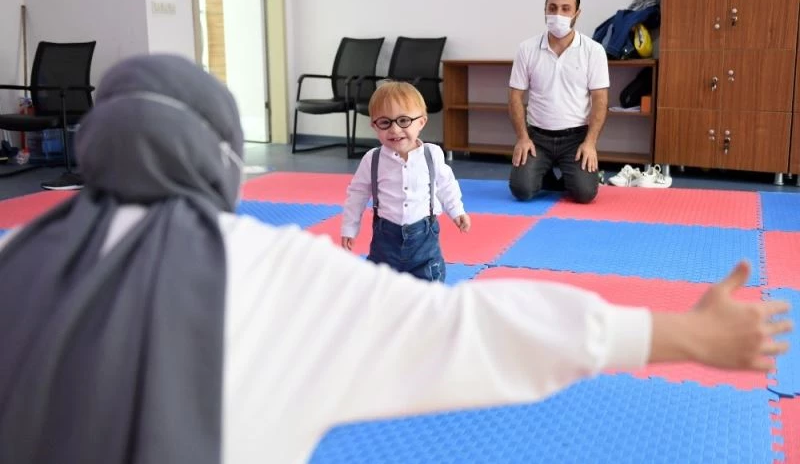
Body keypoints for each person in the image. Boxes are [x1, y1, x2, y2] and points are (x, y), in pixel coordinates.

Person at [0, 55, 791, 464]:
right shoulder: (264, 271)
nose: (396, 135)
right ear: (224, 162)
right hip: (381, 253)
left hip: (424, 241)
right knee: (425, 313)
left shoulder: (16, 253)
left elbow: (449, 199)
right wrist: (675, 336)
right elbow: (473, 327)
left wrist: (454, 213)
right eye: (385, 125)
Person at [341, 81, 470, 282]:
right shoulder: (372, 159)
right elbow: (356, 195)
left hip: (424, 241)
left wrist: (457, 210)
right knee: (378, 288)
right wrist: (350, 227)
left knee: (429, 287)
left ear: (421, 122)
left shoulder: (432, 154)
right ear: (374, 125)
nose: (394, 130)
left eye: (403, 120)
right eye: (385, 122)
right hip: (385, 240)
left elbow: (446, 185)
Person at [508, 0, 609, 204]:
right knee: (521, 190)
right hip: (537, 136)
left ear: (577, 14)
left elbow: (600, 100)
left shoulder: (593, 51)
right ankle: (543, 173)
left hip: (576, 137)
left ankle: (579, 176)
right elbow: (515, 96)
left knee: (584, 194)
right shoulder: (527, 48)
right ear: (544, 10)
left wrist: (590, 142)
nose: (558, 14)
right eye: (552, 8)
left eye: (565, 9)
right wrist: (522, 138)